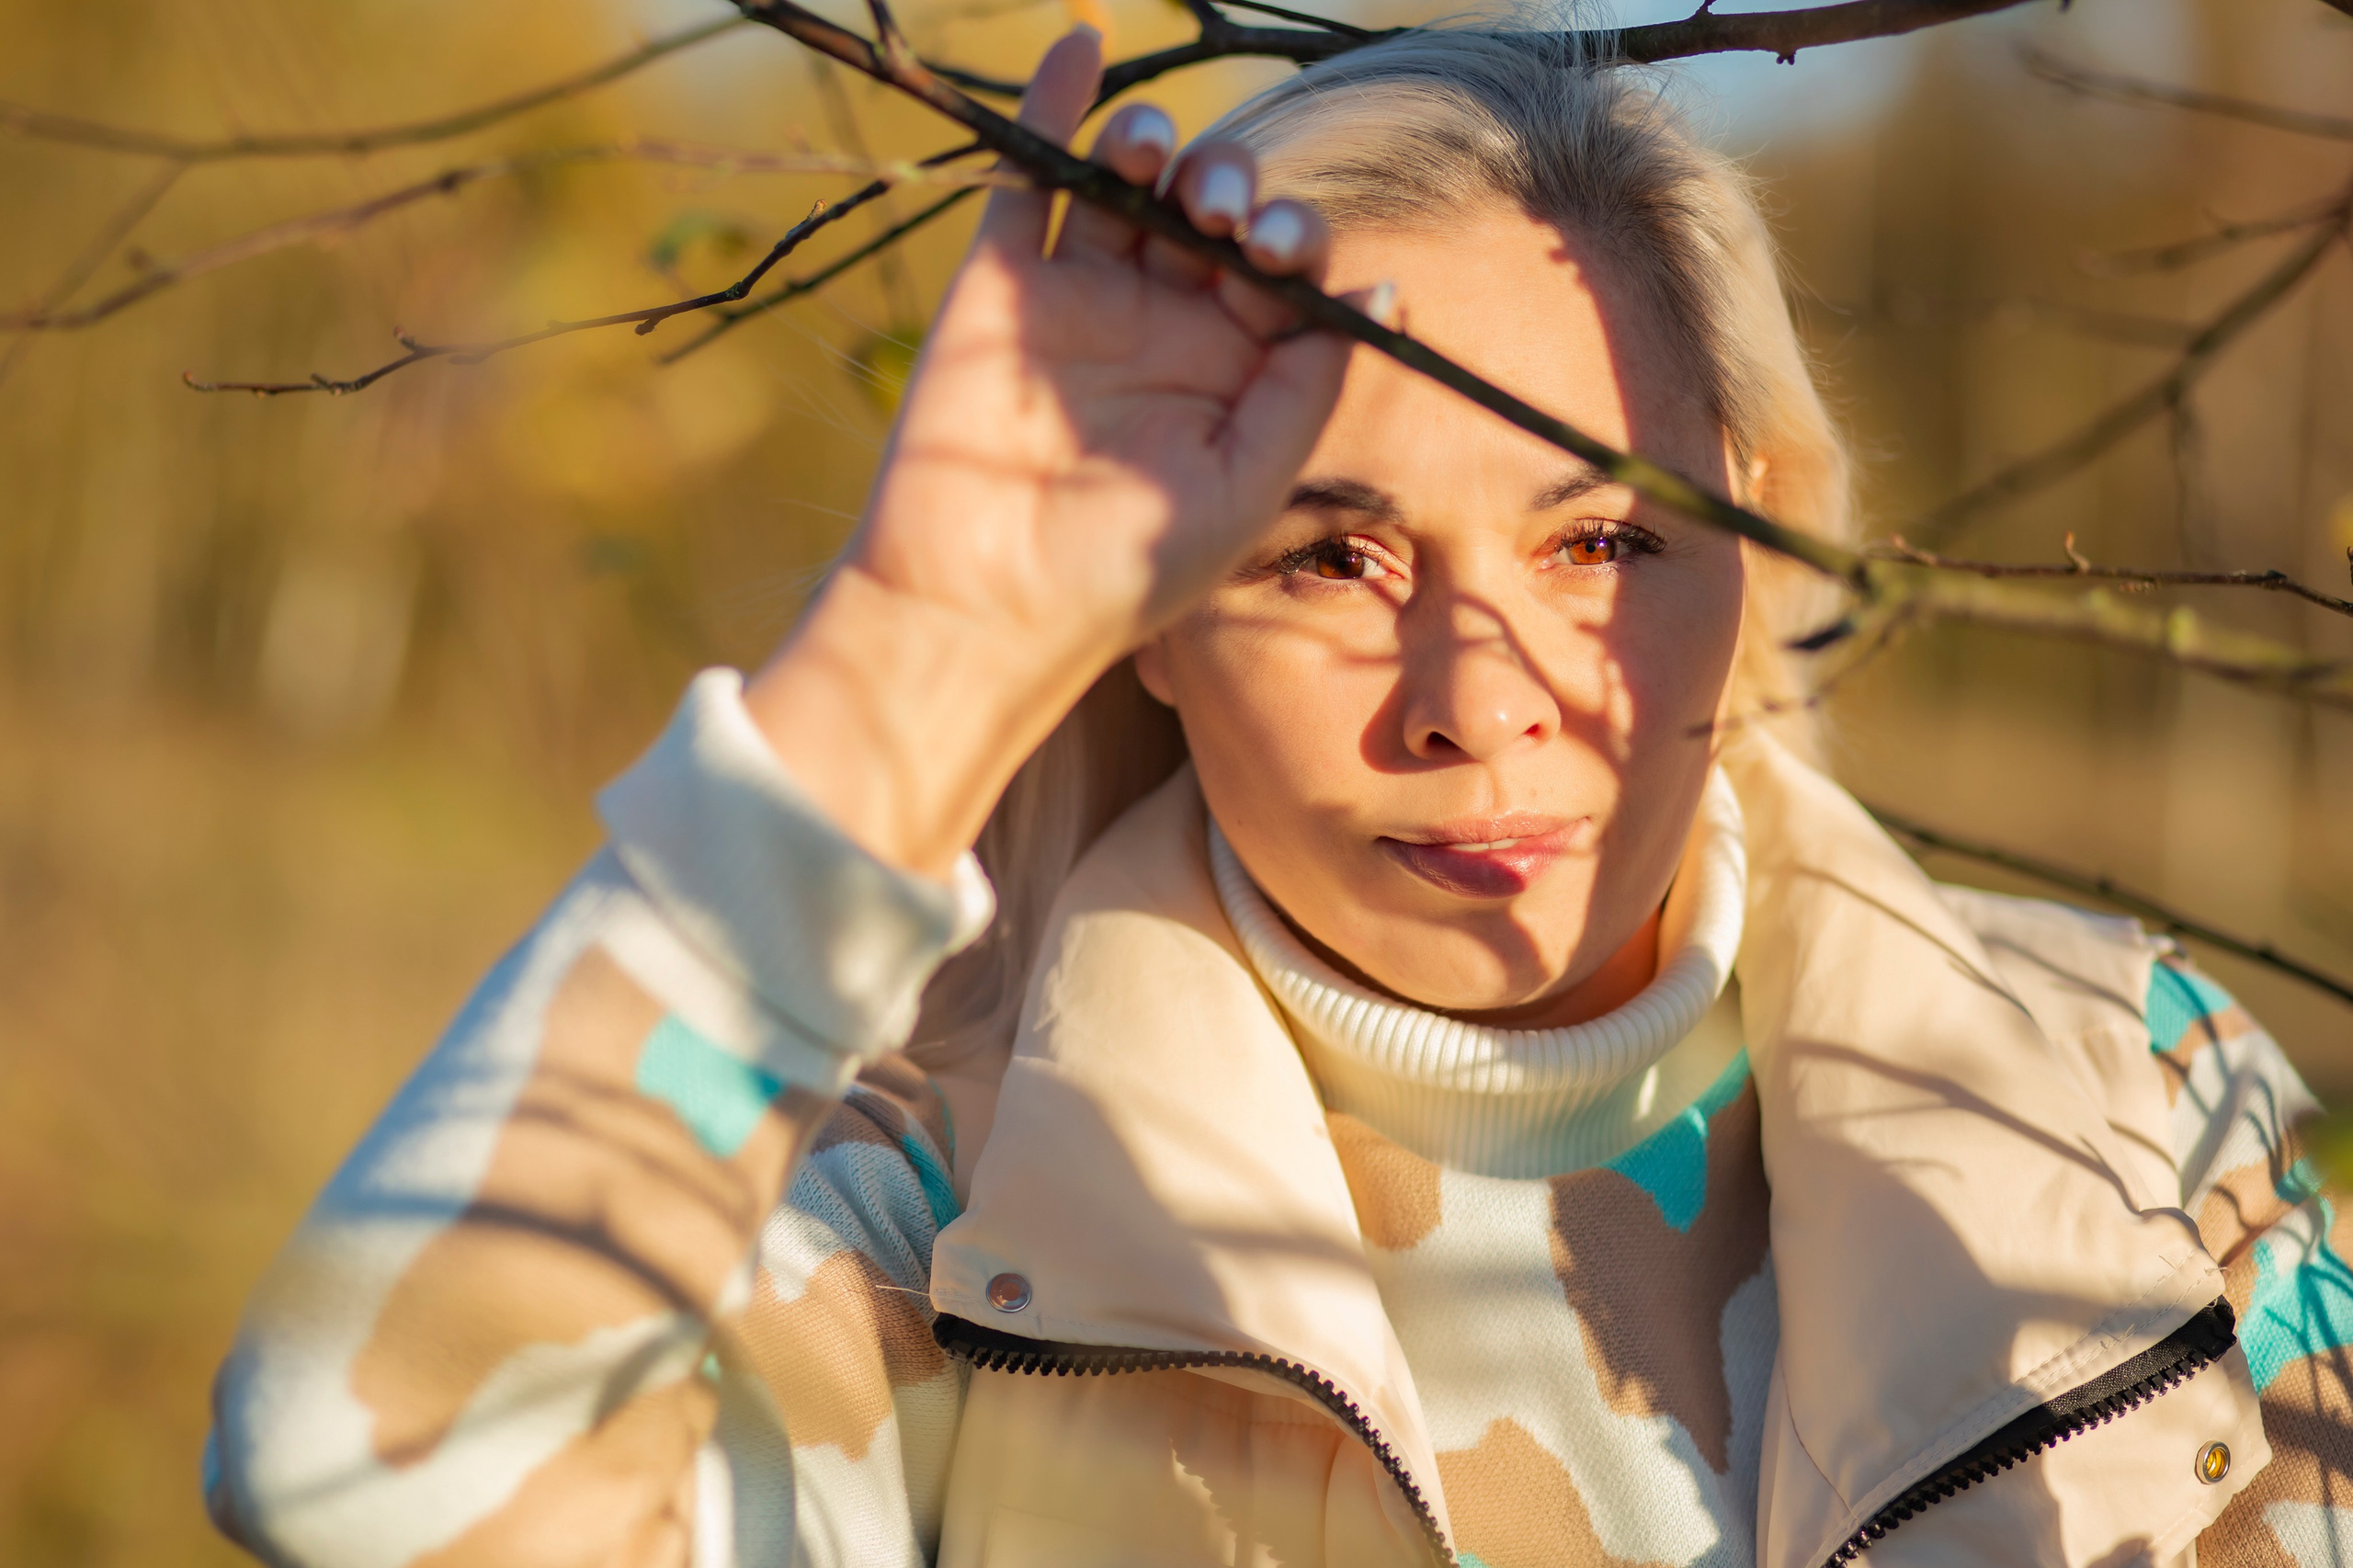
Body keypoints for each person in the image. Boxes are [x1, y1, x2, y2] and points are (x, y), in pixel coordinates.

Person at [202, 21, 2350, 1568]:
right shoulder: (956, 1230)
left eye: (1600, 540)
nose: (1477, 697)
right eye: (1326, 556)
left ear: (1763, 533)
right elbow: (373, 1473)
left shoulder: (2126, 1100)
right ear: (1145, 610)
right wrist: (915, 646)